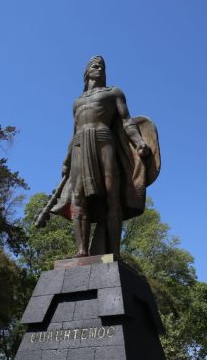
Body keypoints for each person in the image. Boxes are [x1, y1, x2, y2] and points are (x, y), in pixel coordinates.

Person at [46, 55, 157, 257]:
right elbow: (74, 132)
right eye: (95, 66)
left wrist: (139, 142)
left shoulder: (114, 92)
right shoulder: (77, 102)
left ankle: (114, 251)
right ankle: (81, 250)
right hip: (80, 144)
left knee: (112, 193)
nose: (99, 68)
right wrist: (66, 160)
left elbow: (126, 121)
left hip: (104, 139)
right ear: (87, 72)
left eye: (102, 67)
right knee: (78, 197)